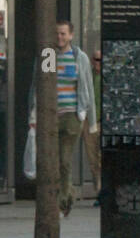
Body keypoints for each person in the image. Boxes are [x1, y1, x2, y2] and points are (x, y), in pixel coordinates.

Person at [29, 18, 98, 216]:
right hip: (50, 116)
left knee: (64, 160)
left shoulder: (79, 57)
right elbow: (38, 86)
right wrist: (33, 116)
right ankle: (65, 195)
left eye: (63, 33)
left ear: (71, 35)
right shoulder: (49, 56)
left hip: (71, 117)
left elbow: (87, 90)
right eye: (57, 33)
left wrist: (90, 120)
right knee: (51, 160)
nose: (59, 37)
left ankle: (63, 201)